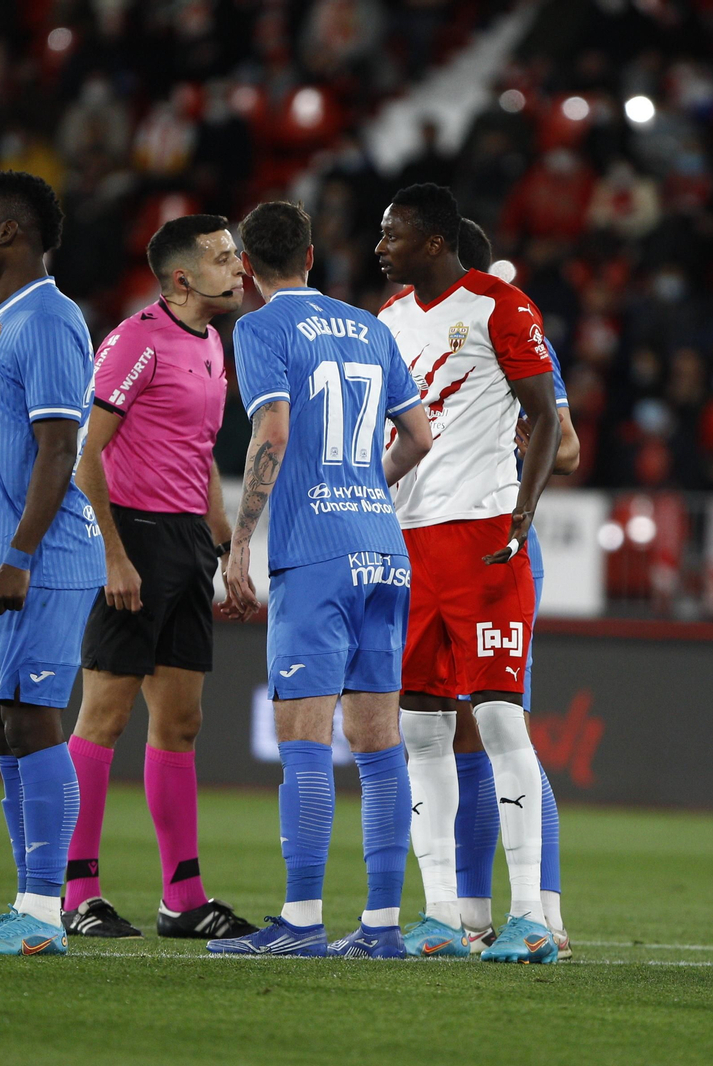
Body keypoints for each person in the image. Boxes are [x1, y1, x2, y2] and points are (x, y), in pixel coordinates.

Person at [207, 200, 433, 957]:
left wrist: (240, 544)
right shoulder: (371, 326)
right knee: (378, 743)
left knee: (303, 738)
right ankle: (380, 928)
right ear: (310, 255)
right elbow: (420, 435)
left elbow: (272, 430)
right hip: (383, 547)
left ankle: (301, 922)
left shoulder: (260, 328)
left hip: (316, 554)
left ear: (248, 267)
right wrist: (370, 483)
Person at [374, 184, 562, 964]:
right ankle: (444, 914)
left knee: (496, 720)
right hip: (409, 542)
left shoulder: (498, 304)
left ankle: (529, 917)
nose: (381, 245)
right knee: (420, 729)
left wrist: (523, 510)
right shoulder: (384, 322)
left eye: (393, 234)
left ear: (432, 240)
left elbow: (547, 413)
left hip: (484, 536)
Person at [62, 214, 256, 942]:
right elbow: (87, 455)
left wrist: (225, 543)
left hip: (185, 544)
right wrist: (113, 555)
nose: (237, 269)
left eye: (235, 256)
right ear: (182, 278)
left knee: (180, 722)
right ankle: (75, 892)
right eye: (222, 259)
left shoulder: (212, 343)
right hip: (134, 536)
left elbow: (198, 448)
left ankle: (184, 899)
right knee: (104, 715)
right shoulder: (134, 341)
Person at [0, 171, 105, 957]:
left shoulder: (48, 319)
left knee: (35, 720)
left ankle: (45, 913)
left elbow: (60, 447)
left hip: (42, 560)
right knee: (7, 726)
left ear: (12, 232)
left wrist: (20, 555)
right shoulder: (6, 320)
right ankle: (26, 905)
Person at [449, 219, 581, 958]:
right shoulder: (414, 329)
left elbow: (565, 443)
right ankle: (469, 918)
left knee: (500, 727)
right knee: (456, 731)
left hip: (495, 547)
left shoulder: (511, 323)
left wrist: (508, 451)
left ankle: (544, 914)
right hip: (435, 545)